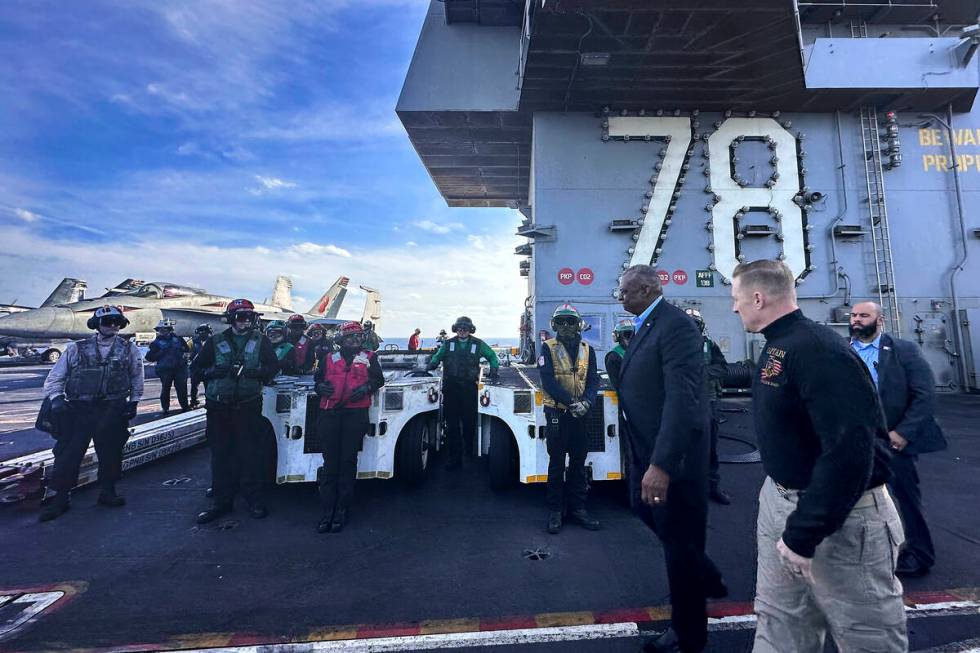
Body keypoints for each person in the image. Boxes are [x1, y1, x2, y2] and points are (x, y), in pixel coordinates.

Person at [730, 260, 906, 653]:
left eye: (736, 298)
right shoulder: (780, 345)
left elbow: (851, 452)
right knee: (780, 624)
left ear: (758, 298)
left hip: (842, 519)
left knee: (867, 636)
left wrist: (803, 532)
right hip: (782, 502)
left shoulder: (819, 351)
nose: (734, 307)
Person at [616, 265, 726, 653]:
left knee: (679, 547)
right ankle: (706, 572)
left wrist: (662, 464)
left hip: (674, 458)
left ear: (646, 290)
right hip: (645, 449)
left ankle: (688, 636)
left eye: (625, 291)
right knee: (642, 510)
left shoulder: (675, 325)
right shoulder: (650, 324)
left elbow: (684, 400)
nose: (620, 297)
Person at [849, 301, 947, 578]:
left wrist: (902, 433)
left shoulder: (904, 351)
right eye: (854, 315)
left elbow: (924, 395)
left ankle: (919, 553)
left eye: (863, 315)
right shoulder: (843, 351)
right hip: (855, 439)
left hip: (891, 440)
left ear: (880, 320)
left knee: (905, 498)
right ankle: (858, 552)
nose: (856, 319)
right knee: (849, 497)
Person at [39, 305, 145, 521]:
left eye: (117, 322)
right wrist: (57, 398)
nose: (113, 325)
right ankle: (61, 497)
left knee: (111, 452)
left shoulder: (128, 349)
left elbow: (136, 376)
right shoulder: (76, 348)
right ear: (97, 325)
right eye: (108, 322)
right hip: (80, 409)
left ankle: (108, 491)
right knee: (68, 453)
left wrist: (134, 401)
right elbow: (56, 377)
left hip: (112, 408)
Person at [191, 299, 280, 524]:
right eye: (241, 317)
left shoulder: (262, 342)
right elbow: (196, 369)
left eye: (249, 317)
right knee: (221, 454)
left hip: (248, 405)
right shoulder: (215, 341)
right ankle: (222, 502)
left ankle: (253, 499)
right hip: (219, 406)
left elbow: (273, 367)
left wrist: (257, 373)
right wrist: (214, 372)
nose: (246, 321)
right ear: (231, 319)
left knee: (250, 454)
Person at [313, 321, 385, 533]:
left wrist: (366, 388)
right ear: (341, 340)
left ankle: (342, 508)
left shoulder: (370, 357)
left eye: (358, 337)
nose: (355, 341)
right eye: (351, 337)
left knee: (347, 461)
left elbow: (378, 380)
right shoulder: (328, 359)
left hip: (355, 414)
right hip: (329, 414)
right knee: (329, 462)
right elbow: (317, 380)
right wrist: (320, 388)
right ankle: (327, 510)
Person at [539, 304, 601, 534]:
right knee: (556, 463)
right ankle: (556, 511)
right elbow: (548, 382)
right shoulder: (547, 348)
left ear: (578, 325)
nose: (566, 326)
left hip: (581, 414)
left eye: (570, 321)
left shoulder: (588, 349)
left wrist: (586, 402)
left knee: (578, 463)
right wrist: (571, 403)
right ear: (555, 325)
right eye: (561, 321)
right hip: (557, 413)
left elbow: (593, 380)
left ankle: (578, 508)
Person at [426, 316, 499, 470]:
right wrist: (431, 364)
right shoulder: (448, 344)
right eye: (460, 328)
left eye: (465, 328)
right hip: (451, 389)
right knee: (452, 425)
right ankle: (455, 458)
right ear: (455, 329)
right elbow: (438, 356)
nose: (462, 330)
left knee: (469, 424)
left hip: (469, 390)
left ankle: (468, 451)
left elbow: (492, 356)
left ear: (470, 329)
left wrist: (494, 369)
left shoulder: (478, 344)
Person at [684, 308, 731, 506]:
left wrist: (701, 372)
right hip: (682, 404)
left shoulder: (709, 346)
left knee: (710, 446)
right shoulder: (671, 346)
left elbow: (722, 367)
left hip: (707, 402)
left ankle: (712, 487)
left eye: (696, 324)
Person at [145, 318, 190, 415]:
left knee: (182, 388)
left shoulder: (178, 339)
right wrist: (161, 353)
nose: (163, 331)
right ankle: (165, 408)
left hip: (180, 369)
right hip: (165, 370)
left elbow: (187, 350)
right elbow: (149, 357)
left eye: (165, 329)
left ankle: (185, 407)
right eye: (161, 329)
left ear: (169, 329)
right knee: (166, 389)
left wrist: (184, 357)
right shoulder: (156, 343)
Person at [604, 319, 634, 390]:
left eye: (633, 335)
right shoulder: (614, 356)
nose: (631, 338)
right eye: (627, 334)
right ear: (618, 336)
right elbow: (617, 384)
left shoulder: (641, 351)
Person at [189, 324, 212, 407]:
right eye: (201, 332)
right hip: (196, 368)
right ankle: (194, 401)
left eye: (205, 332)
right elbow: (186, 351)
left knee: (208, 386)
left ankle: (209, 401)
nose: (203, 334)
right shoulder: (193, 341)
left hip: (208, 367)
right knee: (194, 386)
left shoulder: (212, 341)